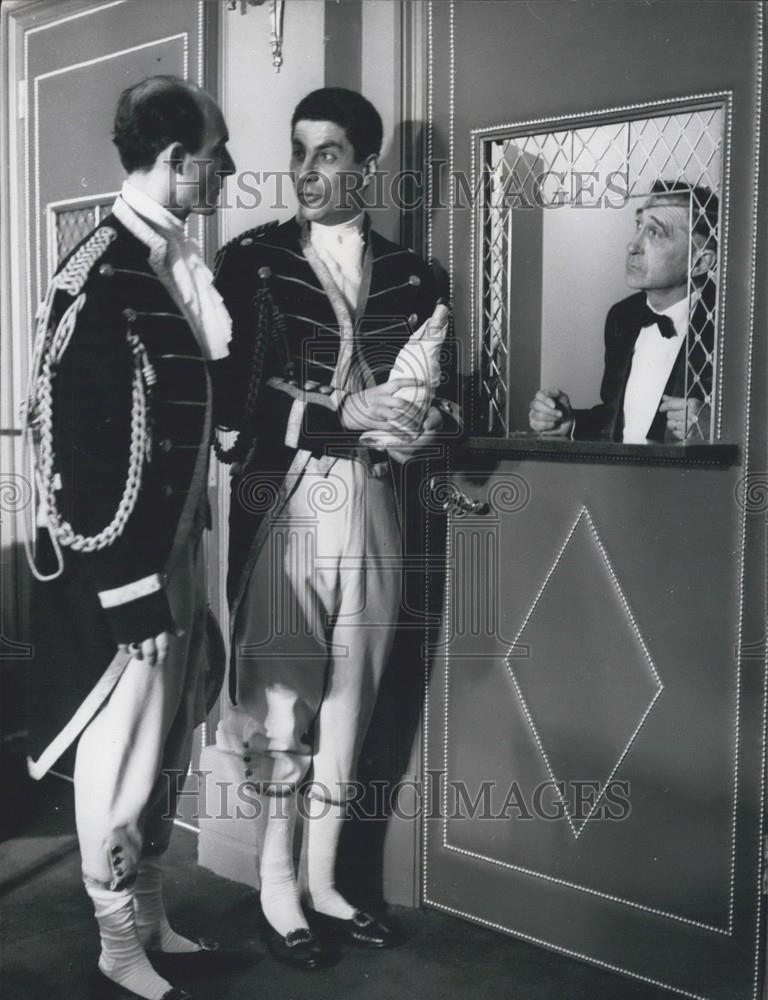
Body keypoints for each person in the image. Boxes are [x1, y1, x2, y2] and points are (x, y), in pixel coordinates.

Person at [213, 87, 461, 970]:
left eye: (328, 153)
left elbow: (438, 398)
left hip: (378, 501)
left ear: (365, 164)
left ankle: (325, 882)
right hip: (285, 501)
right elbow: (231, 397)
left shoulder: (417, 276)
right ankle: (276, 887)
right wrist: (340, 414)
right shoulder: (250, 261)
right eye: (300, 150)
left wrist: (433, 425)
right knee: (282, 703)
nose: (309, 170)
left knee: (354, 698)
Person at [24, 76, 236, 1000]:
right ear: (178, 159)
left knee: (168, 741)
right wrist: (127, 585)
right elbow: (72, 443)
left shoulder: (164, 262)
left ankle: (149, 914)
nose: (229, 167)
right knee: (121, 750)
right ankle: (116, 943)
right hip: (127, 567)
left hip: (179, 553)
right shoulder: (100, 271)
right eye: (217, 151)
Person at [528, 182, 718, 443]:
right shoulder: (622, 316)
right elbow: (619, 420)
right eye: (638, 226)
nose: (633, 245)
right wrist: (569, 423)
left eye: (655, 232)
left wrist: (719, 430)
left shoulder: (731, 325)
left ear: (700, 262)